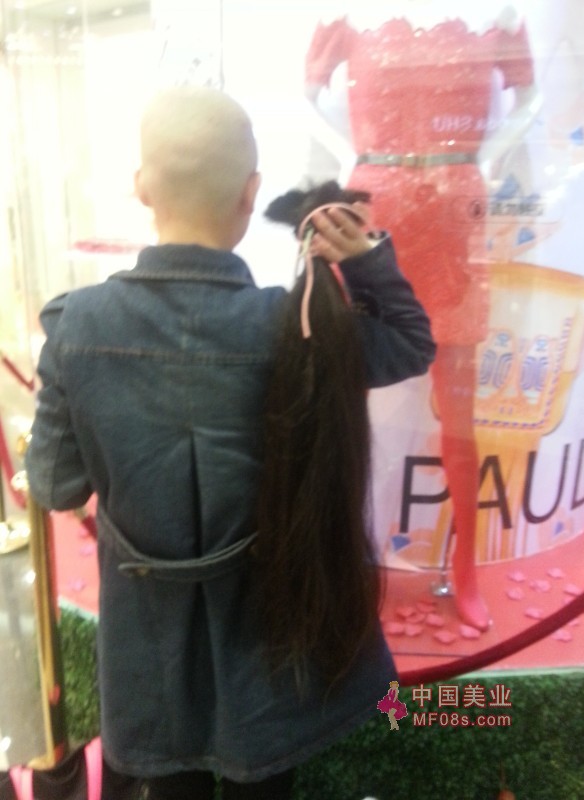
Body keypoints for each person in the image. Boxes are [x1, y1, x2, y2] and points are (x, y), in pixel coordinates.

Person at [25, 86, 435, 800]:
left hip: (145, 654)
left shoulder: (77, 325)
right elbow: (409, 343)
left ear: (142, 187)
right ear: (251, 194)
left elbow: (55, 486)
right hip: (270, 648)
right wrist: (367, 259)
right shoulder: (294, 328)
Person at [305, 3, 538, 630]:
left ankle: (466, 567)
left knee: (459, 412)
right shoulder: (346, 12)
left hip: (454, 208)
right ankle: (338, 558)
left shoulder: (500, 12)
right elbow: (307, 94)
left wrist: (489, 157)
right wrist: (347, 154)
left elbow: (530, 96)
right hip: (373, 208)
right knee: (344, 393)